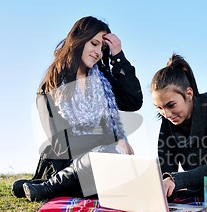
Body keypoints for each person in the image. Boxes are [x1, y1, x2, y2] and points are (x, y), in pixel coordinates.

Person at [13, 16, 143, 201]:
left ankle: (37, 185)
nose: (98, 52)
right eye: (94, 44)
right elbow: (61, 145)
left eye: (102, 48)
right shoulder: (50, 87)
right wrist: (112, 144)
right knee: (115, 155)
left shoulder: (102, 81)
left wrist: (118, 57)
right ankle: (47, 187)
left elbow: (133, 101)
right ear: (79, 40)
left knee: (130, 177)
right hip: (66, 162)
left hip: (101, 161)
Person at [150, 54, 207, 199]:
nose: (166, 114)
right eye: (159, 108)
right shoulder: (168, 120)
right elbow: (166, 171)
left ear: (189, 94)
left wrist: (175, 180)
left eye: (171, 105)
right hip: (198, 191)